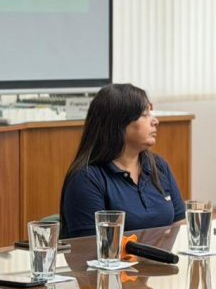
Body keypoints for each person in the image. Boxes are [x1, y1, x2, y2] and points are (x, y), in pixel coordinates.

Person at [60, 83, 185, 238]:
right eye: (145, 114)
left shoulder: (159, 166)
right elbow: (88, 250)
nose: (155, 121)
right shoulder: (86, 179)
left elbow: (180, 227)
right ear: (118, 123)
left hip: (163, 262)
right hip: (112, 262)